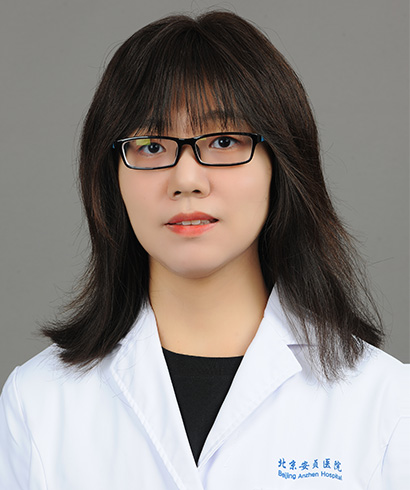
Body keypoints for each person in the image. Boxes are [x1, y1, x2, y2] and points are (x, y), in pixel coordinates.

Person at [0, 10, 408, 489]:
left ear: (280, 165)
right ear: (111, 178)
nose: (187, 179)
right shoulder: (38, 402)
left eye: (223, 141)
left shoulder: (386, 404)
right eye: (152, 145)